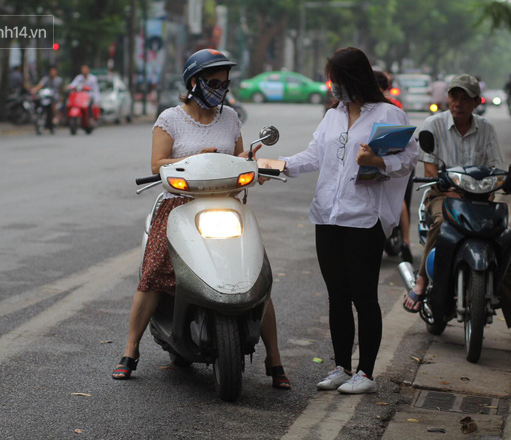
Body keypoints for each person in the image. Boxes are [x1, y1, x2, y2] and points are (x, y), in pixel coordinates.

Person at [112, 49, 291, 390]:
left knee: (258, 277)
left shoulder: (231, 118)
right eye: (213, 82)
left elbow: (238, 155)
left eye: (224, 83)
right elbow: (157, 165)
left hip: (227, 203)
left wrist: (251, 161)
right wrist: (199, 156)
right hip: (179, 204)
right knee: (153, 273)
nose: (220, 89)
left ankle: (275, 358)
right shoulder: (170, 119)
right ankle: (130, 350)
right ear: (193, 83)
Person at [278, 47, 418, 394]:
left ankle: (366, 373)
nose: (332, 87)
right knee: (336, 295)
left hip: (363, 218)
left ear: (353, 79)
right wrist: (277, 167)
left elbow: (409, 157)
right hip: (327, 214)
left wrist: (379, 161)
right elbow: (313, 154)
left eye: (336, 80)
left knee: (363, 296)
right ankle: (341, 367)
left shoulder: (387, 114)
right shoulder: (332, 116)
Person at [402, 73, 511, 343]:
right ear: (448, 98)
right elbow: (430, 169)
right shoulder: (433, 124)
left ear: (477, 101)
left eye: (466, 98)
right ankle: (421, 282)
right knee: (441, 226)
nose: (459, 102)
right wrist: (452, 186)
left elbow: (496, 166)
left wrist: (506, 180)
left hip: (479, 200)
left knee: (502, 246)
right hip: (444, 196)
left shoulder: (486, 128)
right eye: (455, 96)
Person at [374, 70, 414, 263]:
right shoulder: (395, 105)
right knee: (401, 202)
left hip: (387, 159)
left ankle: (405, 240)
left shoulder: (382, 107)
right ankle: (407, 241)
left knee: (397, 199)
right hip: (393, 156)